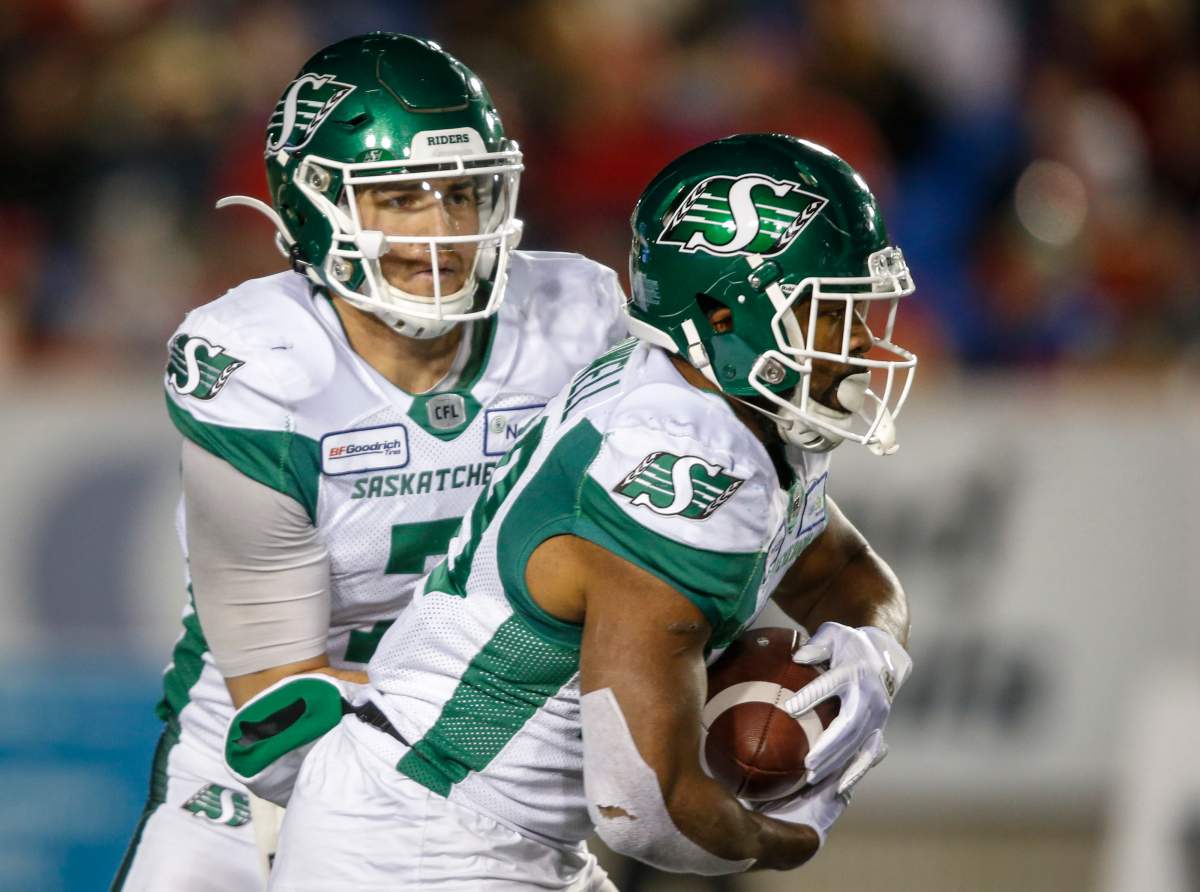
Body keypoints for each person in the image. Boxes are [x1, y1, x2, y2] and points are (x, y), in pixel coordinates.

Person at [236, 133, 918, 890]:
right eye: (830, 311)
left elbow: (845, 574)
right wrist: (800, 830)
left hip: (485, 830)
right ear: (725, 314)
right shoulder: (679, 462)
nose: (859, 342)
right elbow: (646, 809)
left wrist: (871, 649)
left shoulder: (725, 405)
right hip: (420, 839)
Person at [111, 32, 627, 891]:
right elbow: (280, 708)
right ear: (314, 208)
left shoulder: (575, 320)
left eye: (464, 193)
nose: (445, 232)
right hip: (255, 785)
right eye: (399, 198)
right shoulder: (263, 366)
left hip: (490, 781)